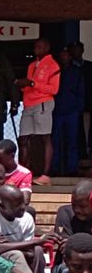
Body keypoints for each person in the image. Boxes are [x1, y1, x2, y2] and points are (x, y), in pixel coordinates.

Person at [15, 38, 60, 186]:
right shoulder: (32, 65)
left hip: (42, 103)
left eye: (40, 46)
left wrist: (32, 83)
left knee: (45, 138)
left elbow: (54, 89)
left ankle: (45, 175)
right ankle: (22, 175)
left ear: (47, 47)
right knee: (23, 139)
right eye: (35, 46)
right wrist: (22, 85)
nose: (36, 49)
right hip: (28, 104)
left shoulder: (53, 65)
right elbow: (31, 85)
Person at [51, 47, 85, 176]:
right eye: (62, 55)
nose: (63, 57)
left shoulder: (76, 72)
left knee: (72, 141)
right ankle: (55, 169)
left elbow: (81, 91)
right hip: (57, 111)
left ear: (70, 57)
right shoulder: (54, 71)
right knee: (55, 142)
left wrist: (79, 108)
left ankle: (72, 169)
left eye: (66, 55)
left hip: (72, 112)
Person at [52, 180, 92, 273]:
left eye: (82, 206)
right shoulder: (65, 212)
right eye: (74, 205)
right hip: (68, 266)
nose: (77, 210)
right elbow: (65, 247)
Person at [0, 139, 33, 204]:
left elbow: (25, 200)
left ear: (12, 155)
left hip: (10, 206)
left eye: (0, 158)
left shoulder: (24, 173)